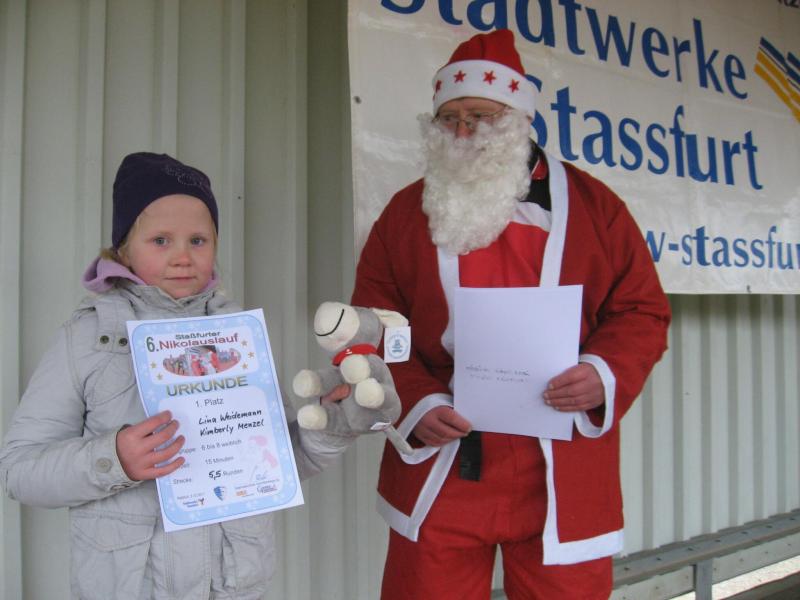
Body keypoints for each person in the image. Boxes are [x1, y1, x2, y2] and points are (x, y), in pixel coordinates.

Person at [351, 30, 671, 599]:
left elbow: (641, 310)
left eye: (480, 116)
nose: (463, 131)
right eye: (449, 118)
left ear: (518, 119)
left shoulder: (596, 207)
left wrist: (601, 373)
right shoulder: (402, 214)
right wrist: (416, 402)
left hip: (561, 458)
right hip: (443, 452)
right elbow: (372, 323)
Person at [0, 152, 373, 599]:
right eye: (160, 240)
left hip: (231, 588)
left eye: (198, 240)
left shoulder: (237, 336)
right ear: (123, 248)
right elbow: (20, 471)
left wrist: (325, 430)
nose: (182, 257)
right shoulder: (88, 338)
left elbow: (271, 464)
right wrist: (113, 459)